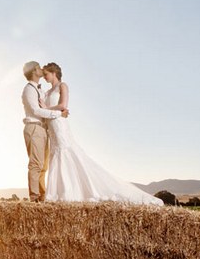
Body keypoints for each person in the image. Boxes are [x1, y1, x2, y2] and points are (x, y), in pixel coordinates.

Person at [39, 62, 163, 205]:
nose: (45, 77)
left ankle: (71, 192)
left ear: (54, 73)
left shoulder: (62, 86)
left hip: (59, 125)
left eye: (46, 74)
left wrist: (47, 109)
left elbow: (63, 106)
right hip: (51, 126)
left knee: (66, 152)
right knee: (57, 155)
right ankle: (59, 192)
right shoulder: (47, 91)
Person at [21, 61, 69, 202]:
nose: (41, 69)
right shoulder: (29, 89)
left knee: (44, 165)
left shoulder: (41, 89)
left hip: (44, 129)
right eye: (38, 67)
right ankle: (34, 196)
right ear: (34, 71)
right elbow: (36, 110)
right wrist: (58, 114)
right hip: (34, 126)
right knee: (36, 163)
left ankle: (42, 195)